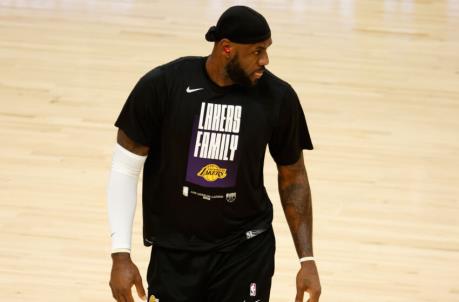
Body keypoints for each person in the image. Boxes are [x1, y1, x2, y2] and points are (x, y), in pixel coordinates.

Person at [107, 5, 321, 302]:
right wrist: (121, 255)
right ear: (227, 48)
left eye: (267, 50)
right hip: (175, 251)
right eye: (257, 51)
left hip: (246, 249)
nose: (265, 60)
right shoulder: (164, 86)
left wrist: (306, 260)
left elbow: (293, 175)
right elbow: (125, 168)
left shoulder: (278, 97)